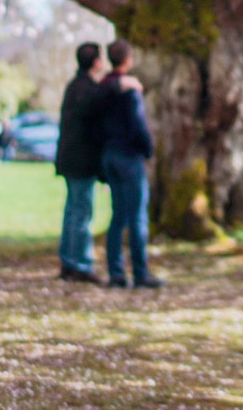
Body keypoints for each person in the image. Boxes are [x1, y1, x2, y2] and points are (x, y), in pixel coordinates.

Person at [98, 40, 162, 290]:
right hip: (128, 156)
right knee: (136, 217)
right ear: (128, 59)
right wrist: (147, 148)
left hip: (110, 155)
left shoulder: (103, 89)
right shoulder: (129, 90)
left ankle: (116, 272)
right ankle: (140, 272)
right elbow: (137, 123)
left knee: (118, 216)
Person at [54, 42, 108, 284]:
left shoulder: (74, 87)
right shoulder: (89, 91)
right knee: (81, 212)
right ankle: (80, 264)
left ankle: (68, 260)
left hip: (69, 158)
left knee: (73, 210)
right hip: (82, 160)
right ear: (96, 62)